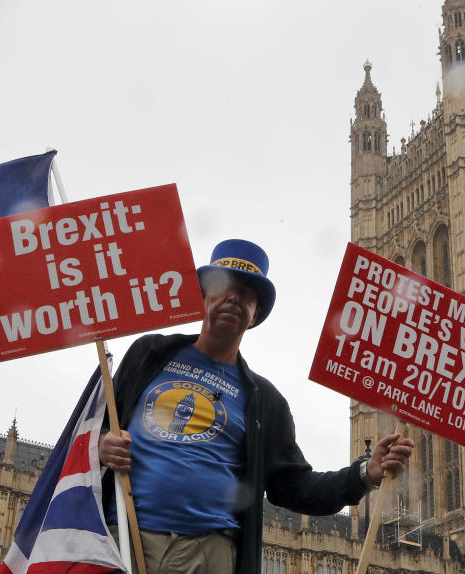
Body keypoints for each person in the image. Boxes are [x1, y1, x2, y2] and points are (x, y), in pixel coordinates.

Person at [98, 239, 414, 574]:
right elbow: (91, 426)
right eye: (223, 287)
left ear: (255, 314)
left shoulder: (265, 399)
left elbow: (293, 486)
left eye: (247, 294)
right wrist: (101, 444)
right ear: (202, 296)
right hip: (123, 532)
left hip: (208, 551)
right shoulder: (150, 354)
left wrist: (365, 473)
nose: (234, 297)